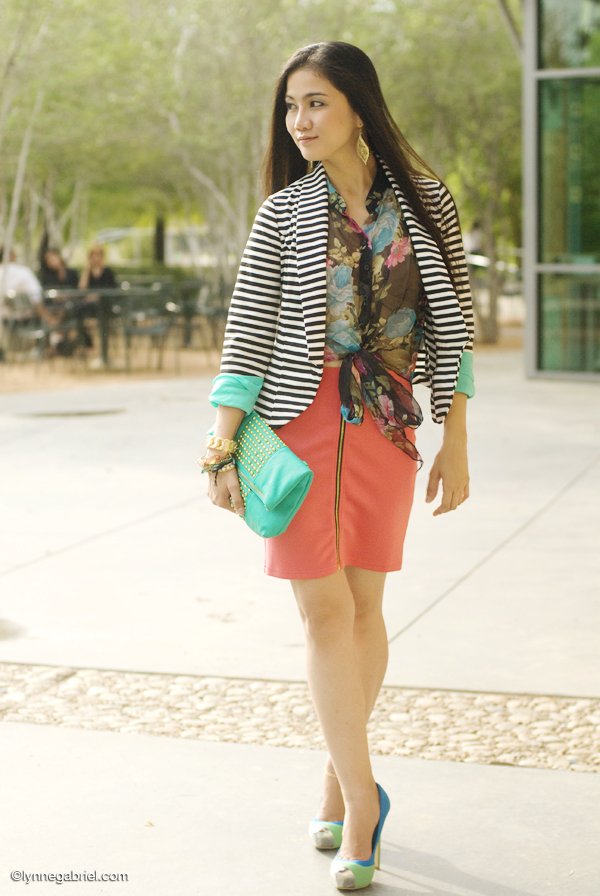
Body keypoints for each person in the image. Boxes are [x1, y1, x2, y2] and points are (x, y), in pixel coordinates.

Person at [201, 42, 474, 891]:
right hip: (299, 421)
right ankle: (363, 803)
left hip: (388, 423)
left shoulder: (428, 204)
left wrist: (455, 439)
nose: (301, 121)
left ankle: (333, 773)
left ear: (358, 105)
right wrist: (221, 444)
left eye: (315, 103)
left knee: (363, 608)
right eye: (291, 108)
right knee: (324, 613)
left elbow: (454, 326)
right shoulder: (283, 213)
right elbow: (246, 331)